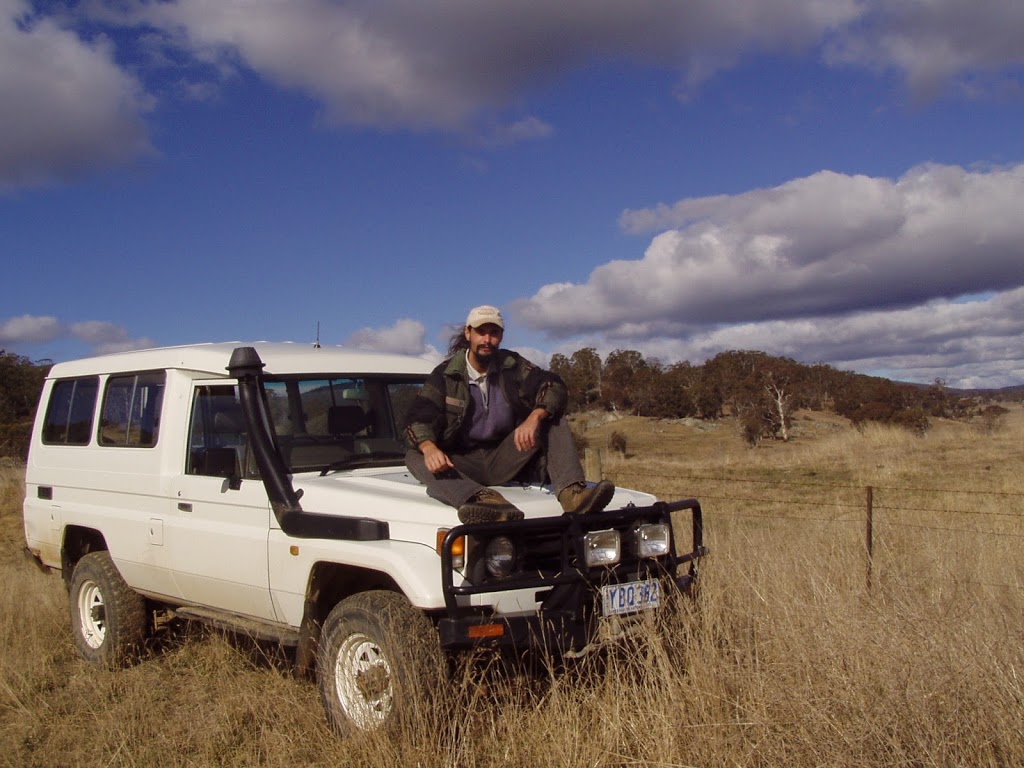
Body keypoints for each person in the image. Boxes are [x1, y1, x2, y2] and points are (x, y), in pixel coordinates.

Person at [404, 305, 615, 524]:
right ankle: (482, 500)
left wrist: (534, 417)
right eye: (481, 332)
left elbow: (552, 384)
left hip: (505, 455)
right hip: (461, 464)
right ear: (468, 334)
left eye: (493, 333)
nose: (487, 339)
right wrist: (429, 448)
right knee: (416, 454)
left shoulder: (512, 365)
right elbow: (417, 418)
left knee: (550, 415)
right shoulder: (446, 375)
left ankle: (573, 494)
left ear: (501, 336)